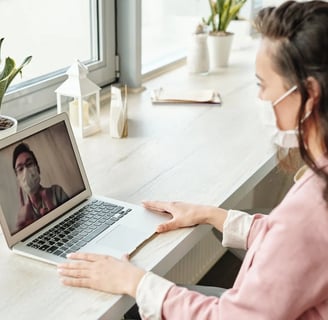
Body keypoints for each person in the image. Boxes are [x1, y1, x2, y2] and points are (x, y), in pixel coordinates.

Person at [57, 1, 328, 319]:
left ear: (309, 95)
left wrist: (134, 281)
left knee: (129, 311)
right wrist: (215, 215)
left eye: (263, 85)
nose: (259, 98)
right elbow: (297, 249)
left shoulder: (312, 205)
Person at [13, 142, 69, 230]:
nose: (26, 171)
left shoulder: (57, 192)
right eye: (20, 169)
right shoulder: (24, 216)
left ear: (38, 169)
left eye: (29, 164)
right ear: (18, 179)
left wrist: (55, 216)